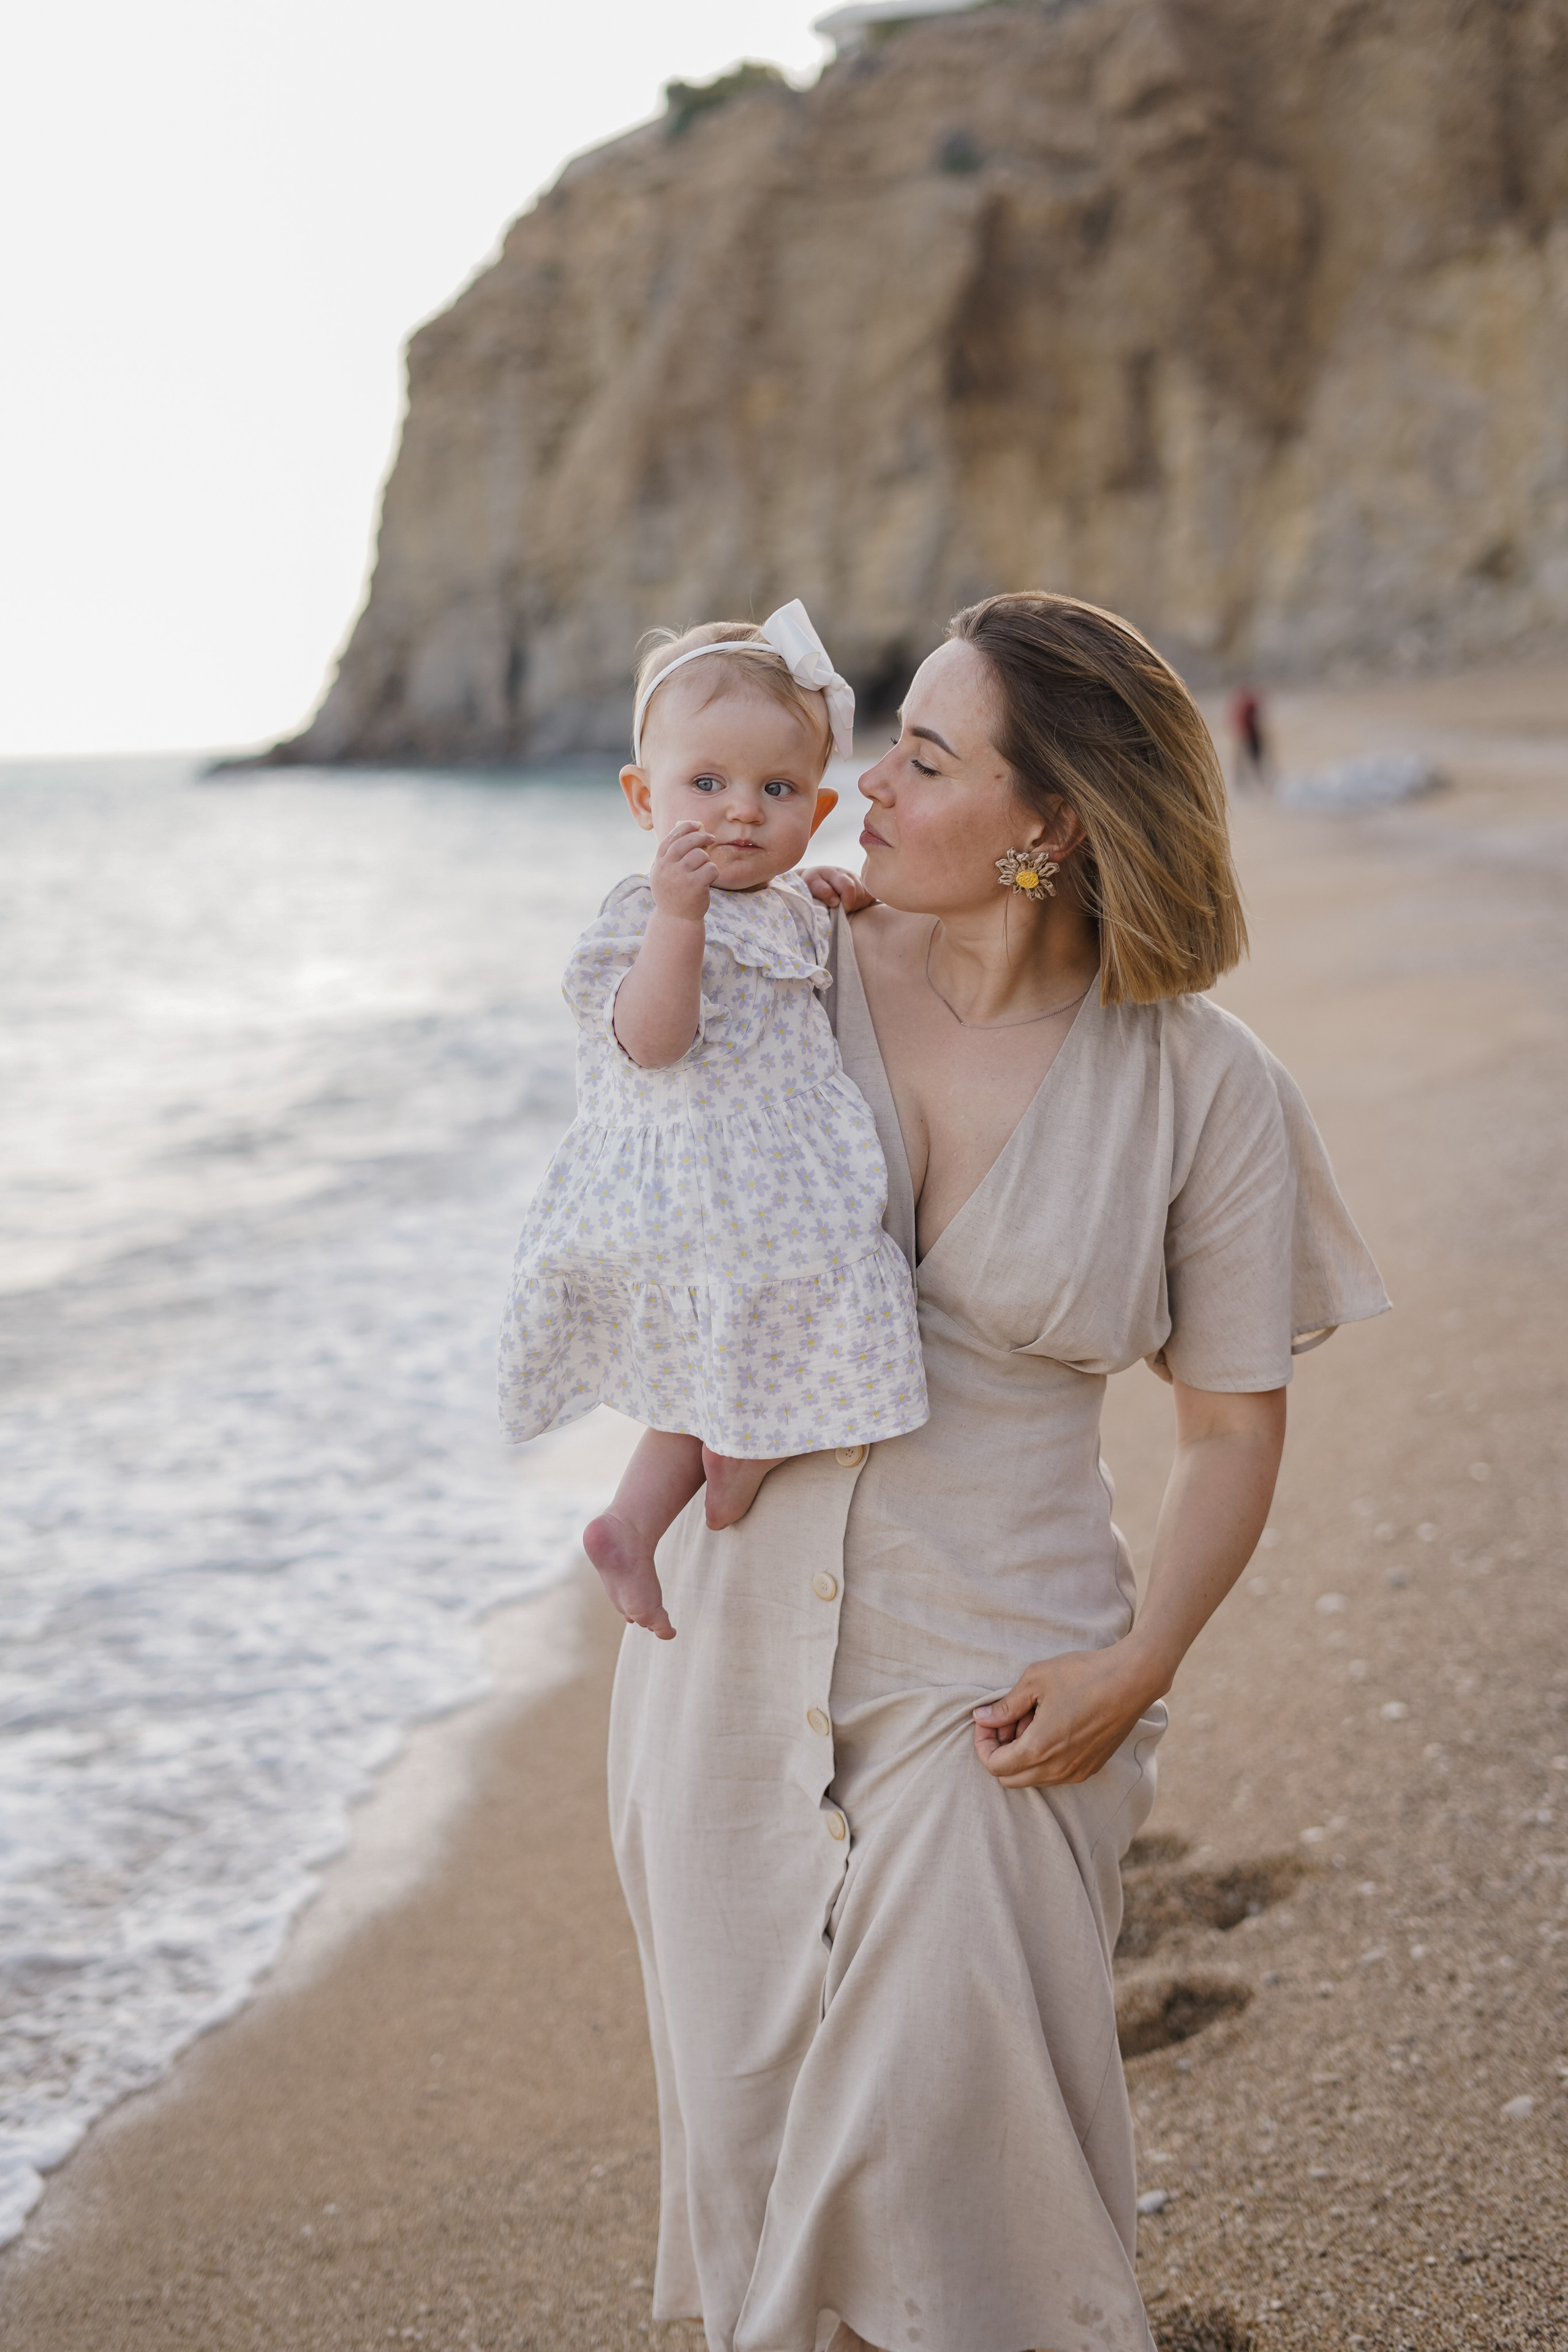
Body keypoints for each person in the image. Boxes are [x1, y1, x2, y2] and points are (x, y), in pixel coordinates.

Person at [607, 592, 1389, 2352]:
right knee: (762, 2158)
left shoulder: (1206, 1088)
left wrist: (1141, 1665)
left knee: (954, 2161)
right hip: (730, 1664)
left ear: (1052, 828)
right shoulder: (784, 969)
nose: (867, 783)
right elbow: (627, 1137)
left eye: (932, 759)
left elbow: (1232, 1428)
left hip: (1005, 1677)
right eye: (895, 737)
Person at [499, 601, 927, 1643]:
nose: (740, 812)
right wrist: (681, 925)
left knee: (722, 1356)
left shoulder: (784, 900)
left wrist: (828, 896)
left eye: (776, 791)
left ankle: (634, 1524)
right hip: (706, 1187)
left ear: (816, 808)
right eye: (706, 785)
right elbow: (651, 1041)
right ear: (644, 800)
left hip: (753, 1185)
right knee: (816, 1294)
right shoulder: (644, 915)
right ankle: (744, 1456)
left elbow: (805, 974)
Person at [1229, 683, 1270, 789]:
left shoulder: (1243, 706)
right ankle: (1258, 783)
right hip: (1250, 737)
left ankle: (1244, 783)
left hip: (1245, 737)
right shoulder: (1249, 706)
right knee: (1254, 761)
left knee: (1247, 761)